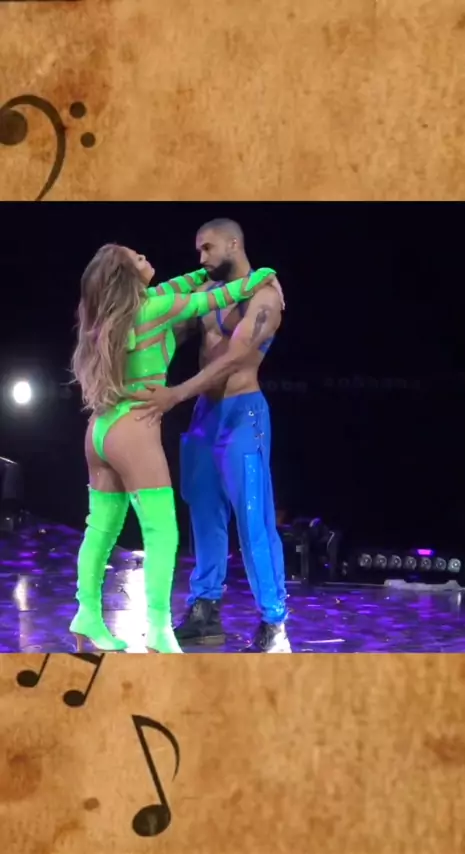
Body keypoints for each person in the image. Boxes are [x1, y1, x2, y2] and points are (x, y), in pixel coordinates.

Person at [69, 242, 278, 654]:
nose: (147, 258)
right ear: (128, 276)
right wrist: (264, 275)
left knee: (100, 529)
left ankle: (86, 615)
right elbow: (217, 298)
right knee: (161, 531)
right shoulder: (154, 309)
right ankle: (159, 630)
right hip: (134, 430)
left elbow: (180, 284)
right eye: (139, 259)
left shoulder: (112, 312)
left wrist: (201, 273)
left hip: (100, 429)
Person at [128, 219, 291, 653]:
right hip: (205, 416)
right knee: (203, 513)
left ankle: (274, 623)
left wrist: (176, 394)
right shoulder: (206, 293)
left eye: (207, 248)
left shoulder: (264, 297)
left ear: (233, 244)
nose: (200, 258)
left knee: (253, 519)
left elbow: (236, 358)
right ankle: (205, 609)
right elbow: (168, 330)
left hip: (243, 416)